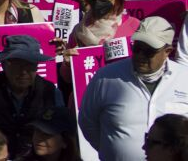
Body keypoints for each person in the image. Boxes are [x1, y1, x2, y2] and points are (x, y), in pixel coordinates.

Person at [80, 16, 188, 160]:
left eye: (149, 51)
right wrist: (113, 151)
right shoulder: (105, 77)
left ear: (167, 51)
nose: (140, 55)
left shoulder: (184, 78)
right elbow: (88, 122)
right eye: (137, 48)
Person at [0, 36, 62, 156]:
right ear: (4, 64)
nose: (24, 71)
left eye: (30, 65)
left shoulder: (50, 92)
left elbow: (62, 132)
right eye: (17, 64)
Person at [70, 0, 140, 48]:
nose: (97, 1)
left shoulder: (134, 26)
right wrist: (67, 57)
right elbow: (72, 58)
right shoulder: (78, 31)